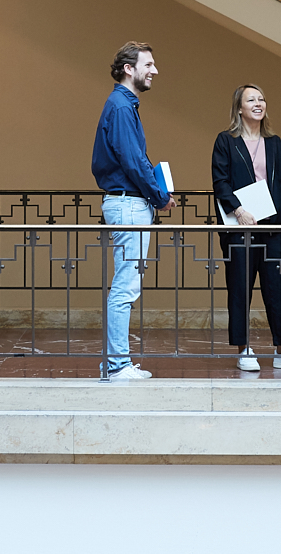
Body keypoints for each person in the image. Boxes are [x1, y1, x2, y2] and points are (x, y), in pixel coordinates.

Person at [210, 84, 281, 372]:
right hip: (240, 228)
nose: (258, 103)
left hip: (273, 227)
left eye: (262, 98)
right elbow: (220, 182)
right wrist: (239, 210)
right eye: (251, 99)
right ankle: (244, 349)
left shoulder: (275, 142)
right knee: (240, 288)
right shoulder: (225, 141)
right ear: (239, 108)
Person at [91, 41, 176, 380]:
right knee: (125, 288)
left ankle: (117, 363)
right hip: (128, 203)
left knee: (125, 286)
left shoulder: (121, 104)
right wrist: (159, 196)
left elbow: (133, 160)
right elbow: (133, 160)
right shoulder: (122, 106)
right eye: (148, 64)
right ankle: (116, 366)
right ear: (129, 68)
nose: (154, 70)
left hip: (126, 202)